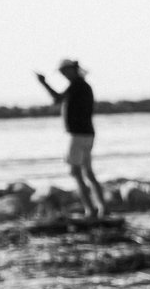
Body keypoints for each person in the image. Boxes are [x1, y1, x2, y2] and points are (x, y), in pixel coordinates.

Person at [35, 58, 107, 217]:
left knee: (75, 172)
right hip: (87, 133)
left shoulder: (77, 86)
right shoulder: (82, 86)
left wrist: (43, 83)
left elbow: (57, 99)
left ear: (72, 70)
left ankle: (90, 209)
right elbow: (60, 100)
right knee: (88, 173)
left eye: (64, 72)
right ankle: (101, 207)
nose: (63, 75)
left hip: (77, 134)